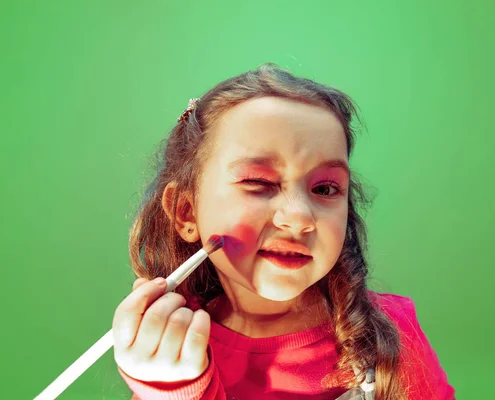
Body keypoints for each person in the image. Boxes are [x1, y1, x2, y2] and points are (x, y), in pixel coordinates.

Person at [112, 63, 455, 400]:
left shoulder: (391, 333)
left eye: (324, 189)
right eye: (258, 182)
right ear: (186, 212)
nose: (299, 217)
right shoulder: (172, 351)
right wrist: (174, 391)